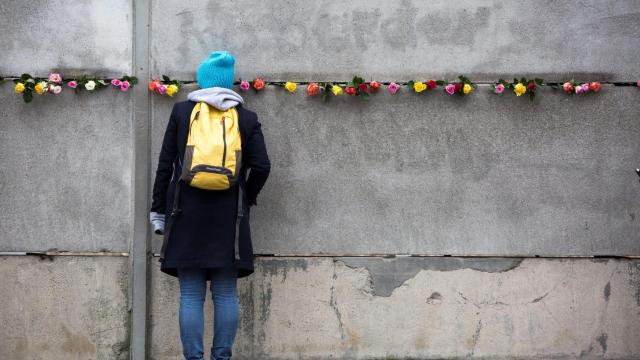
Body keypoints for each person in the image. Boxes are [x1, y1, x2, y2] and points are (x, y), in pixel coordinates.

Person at [149, 50, 271, 360]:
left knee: (191, 296)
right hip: (230, 216)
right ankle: (221, 358)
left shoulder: (181, 112)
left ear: (202, 79)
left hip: (184, 212)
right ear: (229, 82)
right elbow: (262, 166)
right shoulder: (246, 117)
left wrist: (159, 210)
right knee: (226, 294)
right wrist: (248, 194)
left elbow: (165, 165)